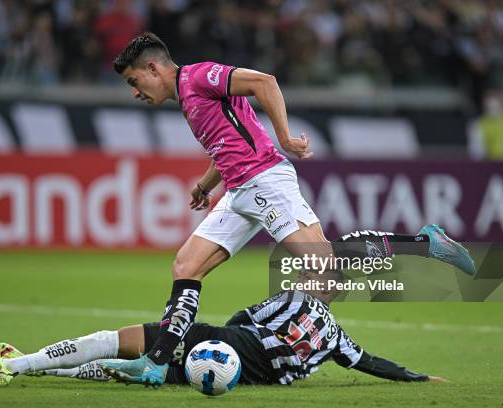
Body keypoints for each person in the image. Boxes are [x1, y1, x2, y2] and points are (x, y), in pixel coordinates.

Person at [101, 32, 475, 387]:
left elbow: (265, 82)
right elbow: (225, 144)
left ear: (154, 69)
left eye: (134, 80)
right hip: (238, 190)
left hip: (264, 179)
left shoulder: (199, 76)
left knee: (324, 272)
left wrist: (283, 137)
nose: (134, 91)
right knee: (186, 265)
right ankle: (157, 360)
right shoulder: (188, 98)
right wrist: (205, 185)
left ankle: (425, 243)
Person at [0, 277, 446, 387]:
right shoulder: (337, 335)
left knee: (119, 341)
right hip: (236, 377)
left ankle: (15, 366)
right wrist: (419, 379)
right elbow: (372, 363)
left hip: (221, 344)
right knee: (127, 373)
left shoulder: (292, 297)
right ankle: (37, 368)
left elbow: (241, 320)